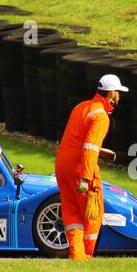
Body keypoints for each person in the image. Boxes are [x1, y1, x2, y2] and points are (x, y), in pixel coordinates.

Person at [55, 74, 126, 260]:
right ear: (111, 93)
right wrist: (86, 178)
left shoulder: (81, 107)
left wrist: (101, 151)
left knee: (72, 212)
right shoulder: (101, 117)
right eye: (117, 92)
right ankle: (87, 254)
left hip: (63, 167)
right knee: (93, 212)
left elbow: (77, 139)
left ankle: (76, 255)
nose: (119, 96)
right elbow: (89, 147)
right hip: (81, 170)